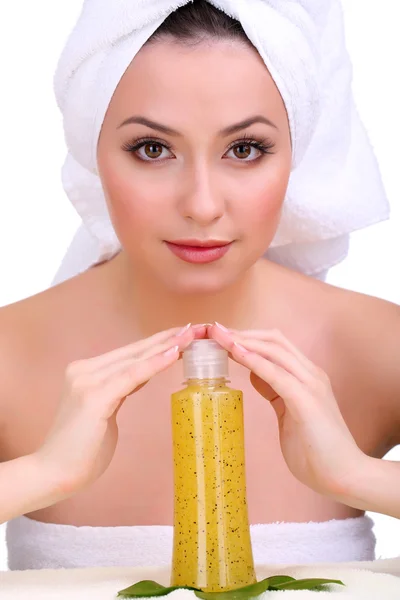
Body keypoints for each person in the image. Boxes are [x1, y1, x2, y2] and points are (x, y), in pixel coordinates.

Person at [0, 0, 399, 571]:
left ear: (296, 154)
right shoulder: (10, 351)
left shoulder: (376, 344)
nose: (202, 205)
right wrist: (42, 474)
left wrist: (358, 476)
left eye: (244, 149)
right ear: (94, 152)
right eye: (152, 149)